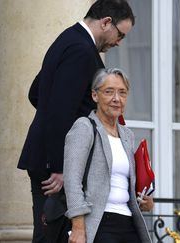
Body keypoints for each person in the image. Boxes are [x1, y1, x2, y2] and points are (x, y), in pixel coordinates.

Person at [17, 1, 135, 242]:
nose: (118, 42)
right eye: (120, 34)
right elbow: (60, 109)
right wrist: (60, 168)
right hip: (54, 167)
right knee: (52, 236)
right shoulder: (81, 50)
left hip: (47, 157)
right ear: (106, 23)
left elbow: (37, 93)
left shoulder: (68, 39)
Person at [63, 68, 154, 243]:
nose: (116, 99)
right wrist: (78, 227)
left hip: (128, 222)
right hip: (100, 222)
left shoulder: (127, 135)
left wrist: (146, 201)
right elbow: (72, 181)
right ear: (95, 95)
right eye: (109, 92)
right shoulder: (84, 127)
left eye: (122, 92)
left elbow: (126, 182)